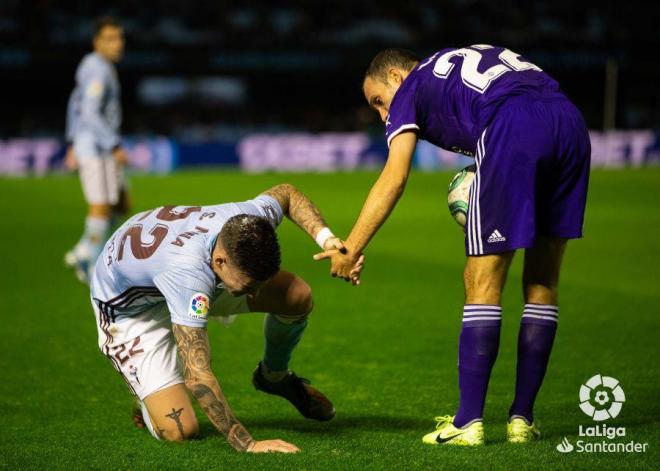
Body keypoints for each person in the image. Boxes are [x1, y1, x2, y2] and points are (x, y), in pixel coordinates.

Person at [315, 45, 590, 445]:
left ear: (395, 76)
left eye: (378, 101)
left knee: (481, 280)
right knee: (543, 280)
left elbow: (395, 177)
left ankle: (468, 421)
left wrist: (350, 247)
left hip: (511, 125)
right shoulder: (450, 66)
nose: (381, 115)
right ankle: (522, 420)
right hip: (569, 122)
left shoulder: (410, 87)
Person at [90, 183, 364, 452]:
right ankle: (147, 401)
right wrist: (247, 443)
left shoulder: (250, 217)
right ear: (220, 261)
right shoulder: (189, 275)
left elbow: (287, 194)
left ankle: (274, 376)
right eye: (247, 287)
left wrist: (328, 239)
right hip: (133, 311)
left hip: (175, 273)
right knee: (180, 430)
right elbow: (197, 374)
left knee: (296, 296)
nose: (254, 293)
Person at [64, 16, 130, 283]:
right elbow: (89, 111)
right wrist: (112, 144)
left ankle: (85, 249)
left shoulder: (98, 66)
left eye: (120, 37)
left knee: (118, 205)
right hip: (96, 146)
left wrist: (71, 140)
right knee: (102, 206)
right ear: (97, 42)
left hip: (92, 143)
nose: (118, 44)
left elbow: (75, 102)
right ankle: (91, 264)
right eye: (111, 38)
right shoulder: (98, 69)